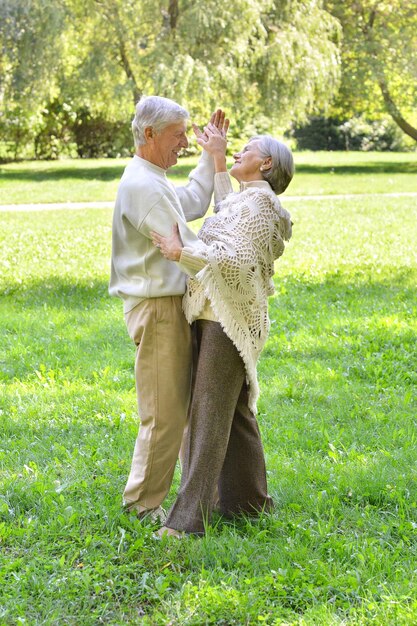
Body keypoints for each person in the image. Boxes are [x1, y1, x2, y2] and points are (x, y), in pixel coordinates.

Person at [151, 123, 294, 536]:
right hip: (219, 313)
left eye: (245, 149)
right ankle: (249, 503)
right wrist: (217, 156)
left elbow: (235, 260)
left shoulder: (261, 209)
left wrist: (184, 253)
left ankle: (186, 523)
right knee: (232, 415)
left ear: (265, 164)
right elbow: (228, 212)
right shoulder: (248, 201)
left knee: (206, 420)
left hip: (226, 321)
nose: (237, 152)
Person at [109, 96, 228, 521]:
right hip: (157, 309)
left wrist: (211, 157)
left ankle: (152, 499)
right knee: (164, 413)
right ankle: (141, 505)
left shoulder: (152, 175)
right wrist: (236, 255)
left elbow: (191, 202)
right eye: (179, 135)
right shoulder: (144, 185)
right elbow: (188, 246)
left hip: (165, 306)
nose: (184, 142)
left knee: (171, 409)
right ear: (149, 134)